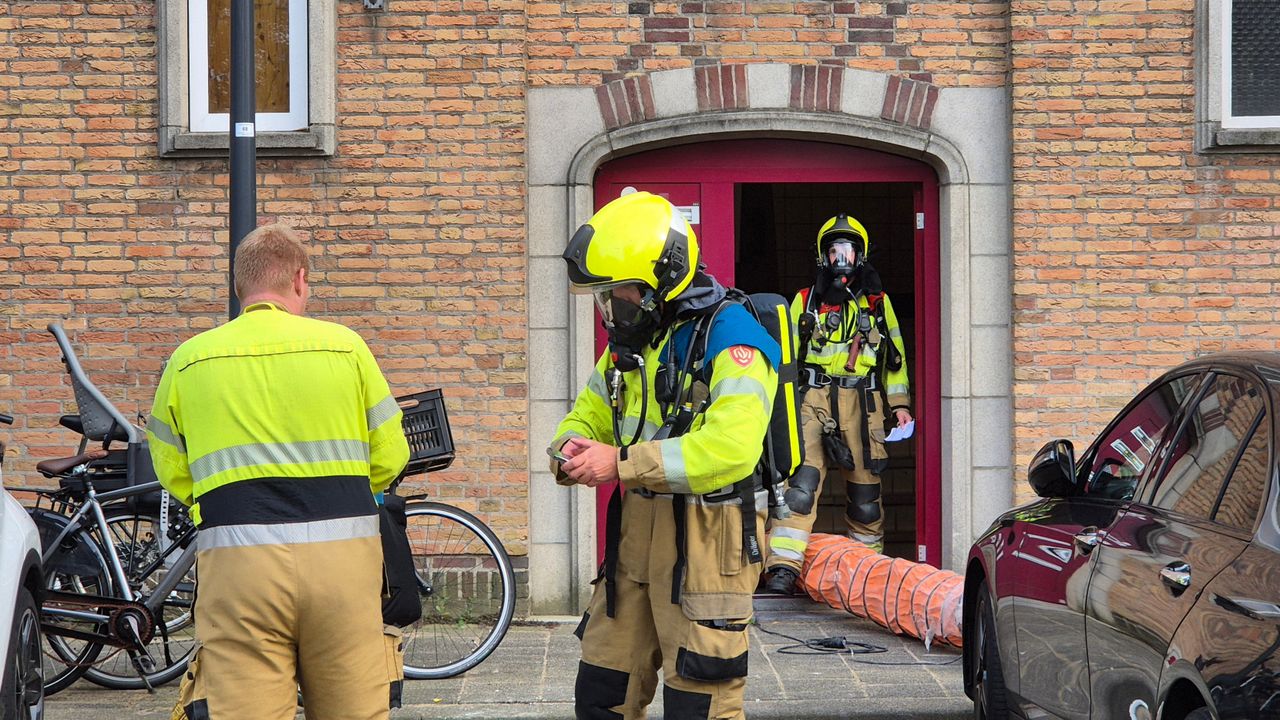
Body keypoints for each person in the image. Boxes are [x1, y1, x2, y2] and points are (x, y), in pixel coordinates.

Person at [146, 223, 410, 720]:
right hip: (343, 565)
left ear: (237, 286)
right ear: (300, 279)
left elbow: (171, 467)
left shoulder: (188, 361)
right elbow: (391, 455)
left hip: (239, 568)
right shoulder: (346, 348)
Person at [551, 191, 780, 720]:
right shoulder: (635, 338)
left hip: (709, 541)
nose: (610, 308)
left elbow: (731, 449)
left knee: (697, 704)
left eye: (619, 294)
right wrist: (568, 448)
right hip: (636, 538)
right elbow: (589, 412)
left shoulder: (734, 339)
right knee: (602, 692)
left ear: (661, 280)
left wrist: (621, 464)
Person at [761, 213, 912, 595]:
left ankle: (866, 575)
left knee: (865, 497)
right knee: (800, 486)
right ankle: (782, 566)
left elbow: (894, 358)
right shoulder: (805, 301)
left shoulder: (878, 304)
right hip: (811, 400)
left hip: (864, 402)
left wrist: (900, 405)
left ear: (860, 255)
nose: (840, 258)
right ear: (821, 256)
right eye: (833, 250)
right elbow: (784, 360)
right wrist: (780, 409)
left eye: (847, 250)